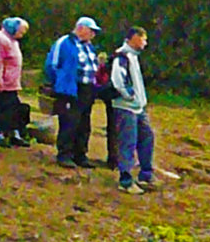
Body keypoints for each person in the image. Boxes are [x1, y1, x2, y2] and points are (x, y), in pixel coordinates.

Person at [45, 16, 101, 168]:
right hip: (70, 89)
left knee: (84, 122)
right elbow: (52, 65)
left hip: (87, 89)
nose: (93, 35)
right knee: (69, 121)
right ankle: (64, 154)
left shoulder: (89, 46)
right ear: (81, 28)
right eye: (91, 31)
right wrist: (59, 84)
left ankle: (80, 154)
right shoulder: (64, 43)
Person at [111, 26, 155, 194]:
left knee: (147, 136)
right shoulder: (122, 56)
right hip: (126, 108)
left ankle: (146, 173)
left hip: (138, 108)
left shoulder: (133, 57)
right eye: (143, 38)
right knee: (127, 142)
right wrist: (129, 96)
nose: (145, 42)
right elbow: (118, 80)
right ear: (134, 38)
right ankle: (126, 180)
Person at [0, 16, 31, 147]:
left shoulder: (13, 41)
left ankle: (14, 133)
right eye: (22, 30)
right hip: (2, 83)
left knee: (14, 109)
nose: (22, 34)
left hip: (11, 83)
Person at [95, 51, 118, 169]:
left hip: (111, 95)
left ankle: (114, 159)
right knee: (116, 128)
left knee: (113, 128)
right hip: (116, 98)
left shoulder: (110, 64)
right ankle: (115, 159)